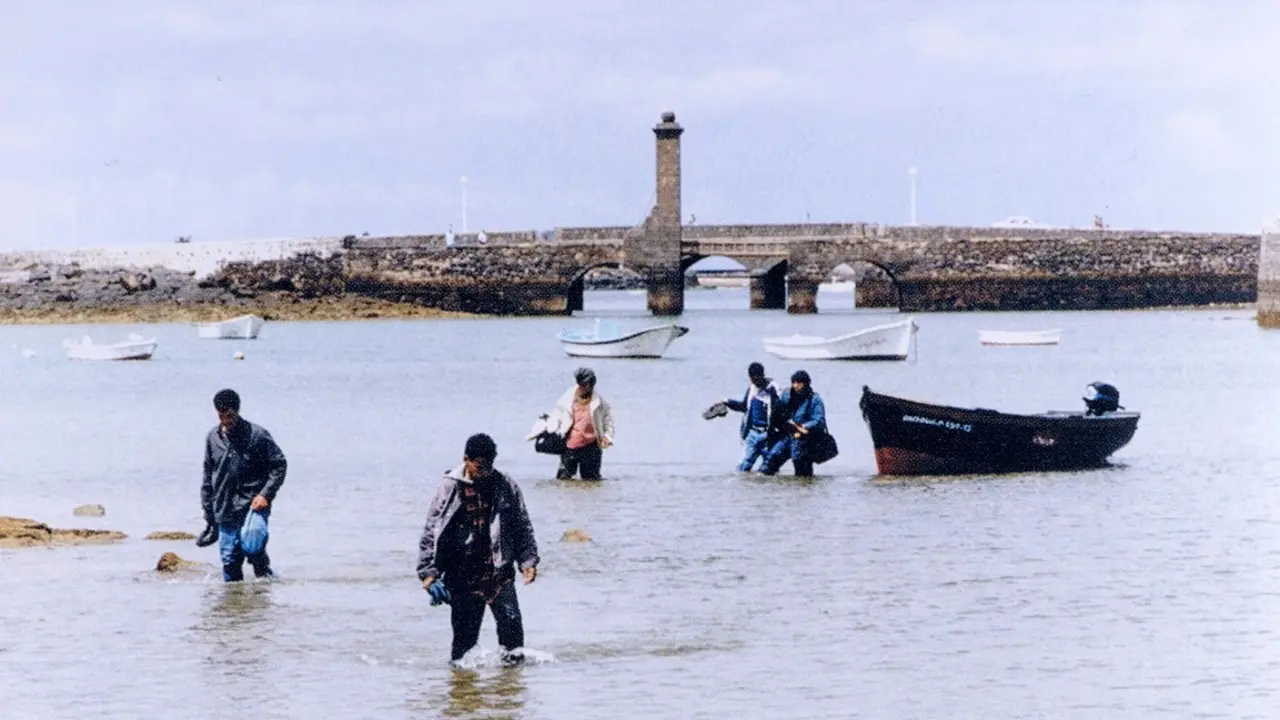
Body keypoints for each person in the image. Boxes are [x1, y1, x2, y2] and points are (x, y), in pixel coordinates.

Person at [417, 434, 540, 665]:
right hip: (462, 575)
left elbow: (522, 525)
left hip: (498, 572)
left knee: (513, 638)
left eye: (489, 465)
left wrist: (528, 561)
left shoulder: (505, 485)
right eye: (479, 465)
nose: (485, 471)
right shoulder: (450, 487)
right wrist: (428, 573)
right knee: (464, 645)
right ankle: (463, 696)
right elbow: (432, 531)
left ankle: (510, 692)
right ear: (466, 460)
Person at [200, 388, 288, 582]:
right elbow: (207, 477)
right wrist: (209, 514)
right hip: (224, 507)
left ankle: (265, 586)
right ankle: (235, 607)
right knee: (230, 560)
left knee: (252, 547)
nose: (226, 419)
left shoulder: (257, 435)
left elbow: (279, 465)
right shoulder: (212, 438)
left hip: (253, 504)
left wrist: (265, 494)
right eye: (221, 415)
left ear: (237, 411)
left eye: (229, 415)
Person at [546, 367, 615, 480]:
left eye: (592, 384)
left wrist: (607, 436)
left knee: (592, 482)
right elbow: (556, 415)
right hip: (570, 447)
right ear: (580, 384)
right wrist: (551, 429)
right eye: (587, 384)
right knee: (563, 481)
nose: (589, 387)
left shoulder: (598, 400)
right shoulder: (567, 398)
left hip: (592, 447)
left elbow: (608, 418)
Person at [760, 370, 827, 477]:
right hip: (787, 436)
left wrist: (802, 426)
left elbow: (819, 421)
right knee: (769, 463)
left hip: (804, 440)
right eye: (793, 382)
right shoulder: (787, 395)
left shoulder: (814, 399)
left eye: (798, 383)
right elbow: (777, 412)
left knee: (803, 474)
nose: (795, 385)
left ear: (805, 384)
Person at [722, 362, 782, 472]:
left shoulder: (773, 389)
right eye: (752, 378)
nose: (755, 381)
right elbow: (744, 406)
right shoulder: (751, 389)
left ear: (763, 375)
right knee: (743, 467)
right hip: (753, 434)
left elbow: (779, 412)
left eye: (757, 378)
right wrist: (728, 403)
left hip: (768, 436)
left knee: (770, 470)